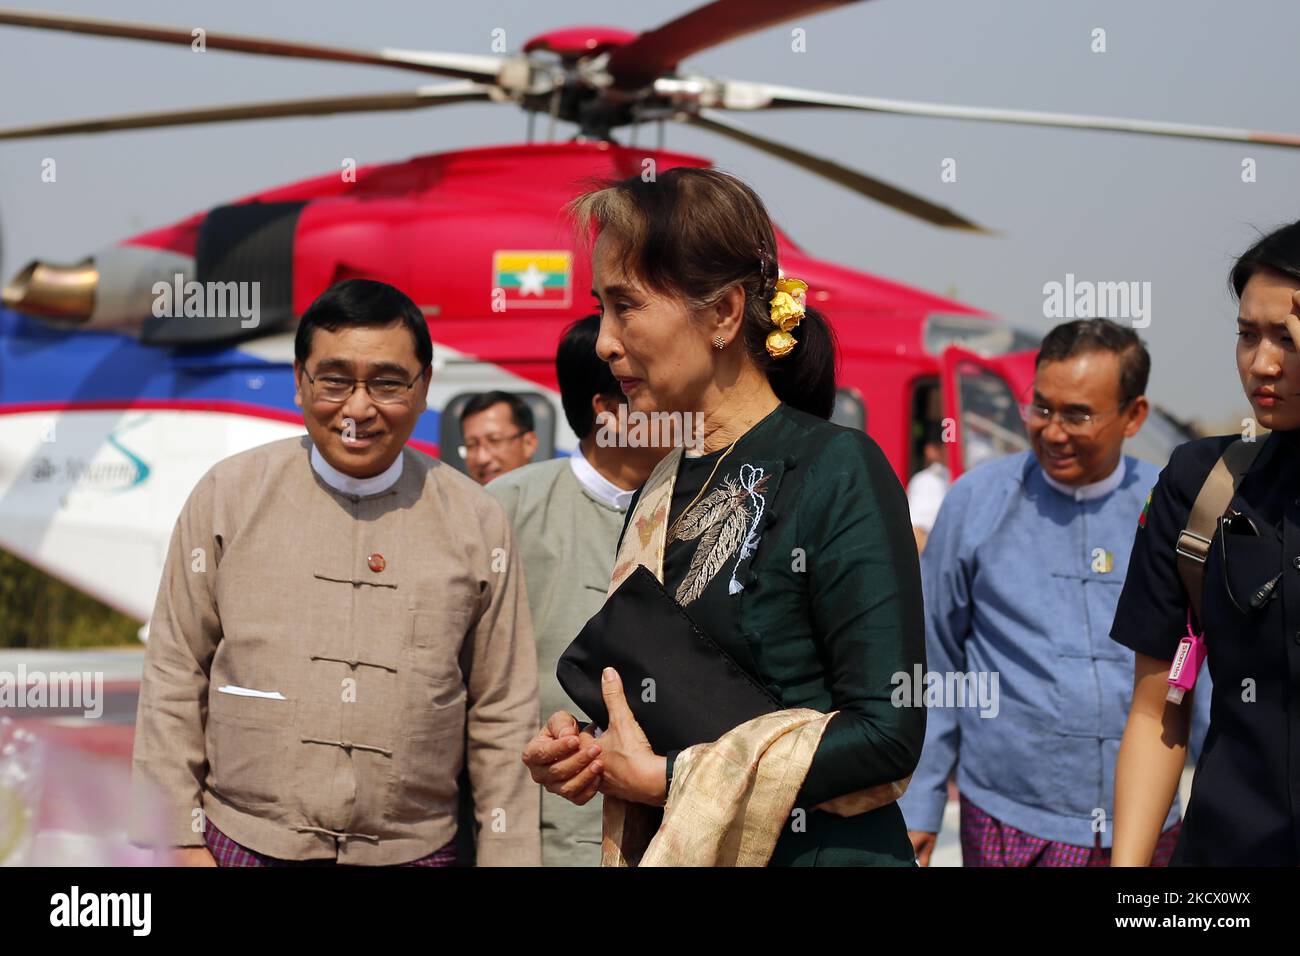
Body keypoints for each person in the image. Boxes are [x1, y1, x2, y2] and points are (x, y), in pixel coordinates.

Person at [521, 167, 926, 867]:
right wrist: (588, 746)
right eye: (602, 309)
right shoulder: (660, 487)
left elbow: (888, 732)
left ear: (724, 314)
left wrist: (668, 780)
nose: (605, 342)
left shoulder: (835, 467)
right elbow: (682, 697)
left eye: (627, 307)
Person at [130, 279, 541, 867]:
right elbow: (175, 670)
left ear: (423, 388)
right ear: (300, 382)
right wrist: (176, 837)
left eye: (387, 382)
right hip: (240, 844)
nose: (358, 407)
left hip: (416, 851)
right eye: (336, 379)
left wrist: (507, 856)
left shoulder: (476, 519)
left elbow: (503, 708)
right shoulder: (229, 495)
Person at [898, 319, 1207, 867]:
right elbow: (934, 658)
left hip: (1146, 820)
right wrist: (921, 802)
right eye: (1041, 408)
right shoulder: (977, 502)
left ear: (1134, 416)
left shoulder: (1171, 512)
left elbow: (1201, 668)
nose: (1053, 431)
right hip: (1008, 819)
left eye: (1077, 415)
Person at [1112, 219, 1300, 866]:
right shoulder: (1200, 485)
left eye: (1287, 338)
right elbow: (1155, 709)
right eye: (1248, 335)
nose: (1262, 362)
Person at [487, 315, 666, 865]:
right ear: (608, 410)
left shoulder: (704, 505)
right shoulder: (507, 508)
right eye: (652, 389)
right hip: (540, 832)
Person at [459, 390, 538, 484]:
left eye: (494, 440)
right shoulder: (453, 498)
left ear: (528, 444)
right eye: (471, 445)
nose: (482, 458)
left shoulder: (554, 497)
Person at [907, 423, 950, 552]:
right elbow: (918, 531)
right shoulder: (928, 481)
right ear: (931, 450)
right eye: (944, 446)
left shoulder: (945, 477)